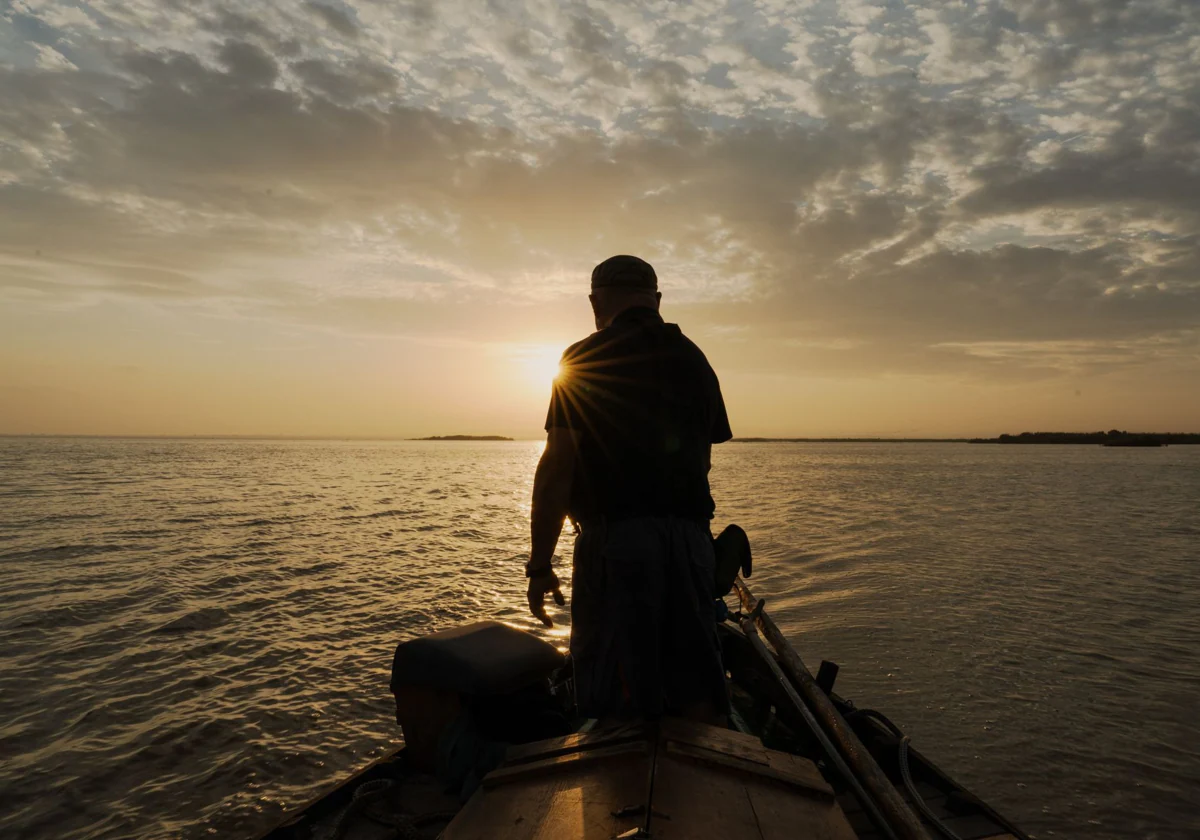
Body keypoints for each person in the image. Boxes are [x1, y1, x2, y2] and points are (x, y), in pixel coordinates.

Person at [524, 254, 733, 722]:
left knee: (612, 690)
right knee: (696, 683)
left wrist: (540, 564)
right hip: (692, 541)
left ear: (596, 302)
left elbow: (557, 465)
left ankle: (618, 787)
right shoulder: (695, 359)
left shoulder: (583, 357)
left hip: (618, 545)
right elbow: (702, 460)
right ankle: (704, 787)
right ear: (657, 300)